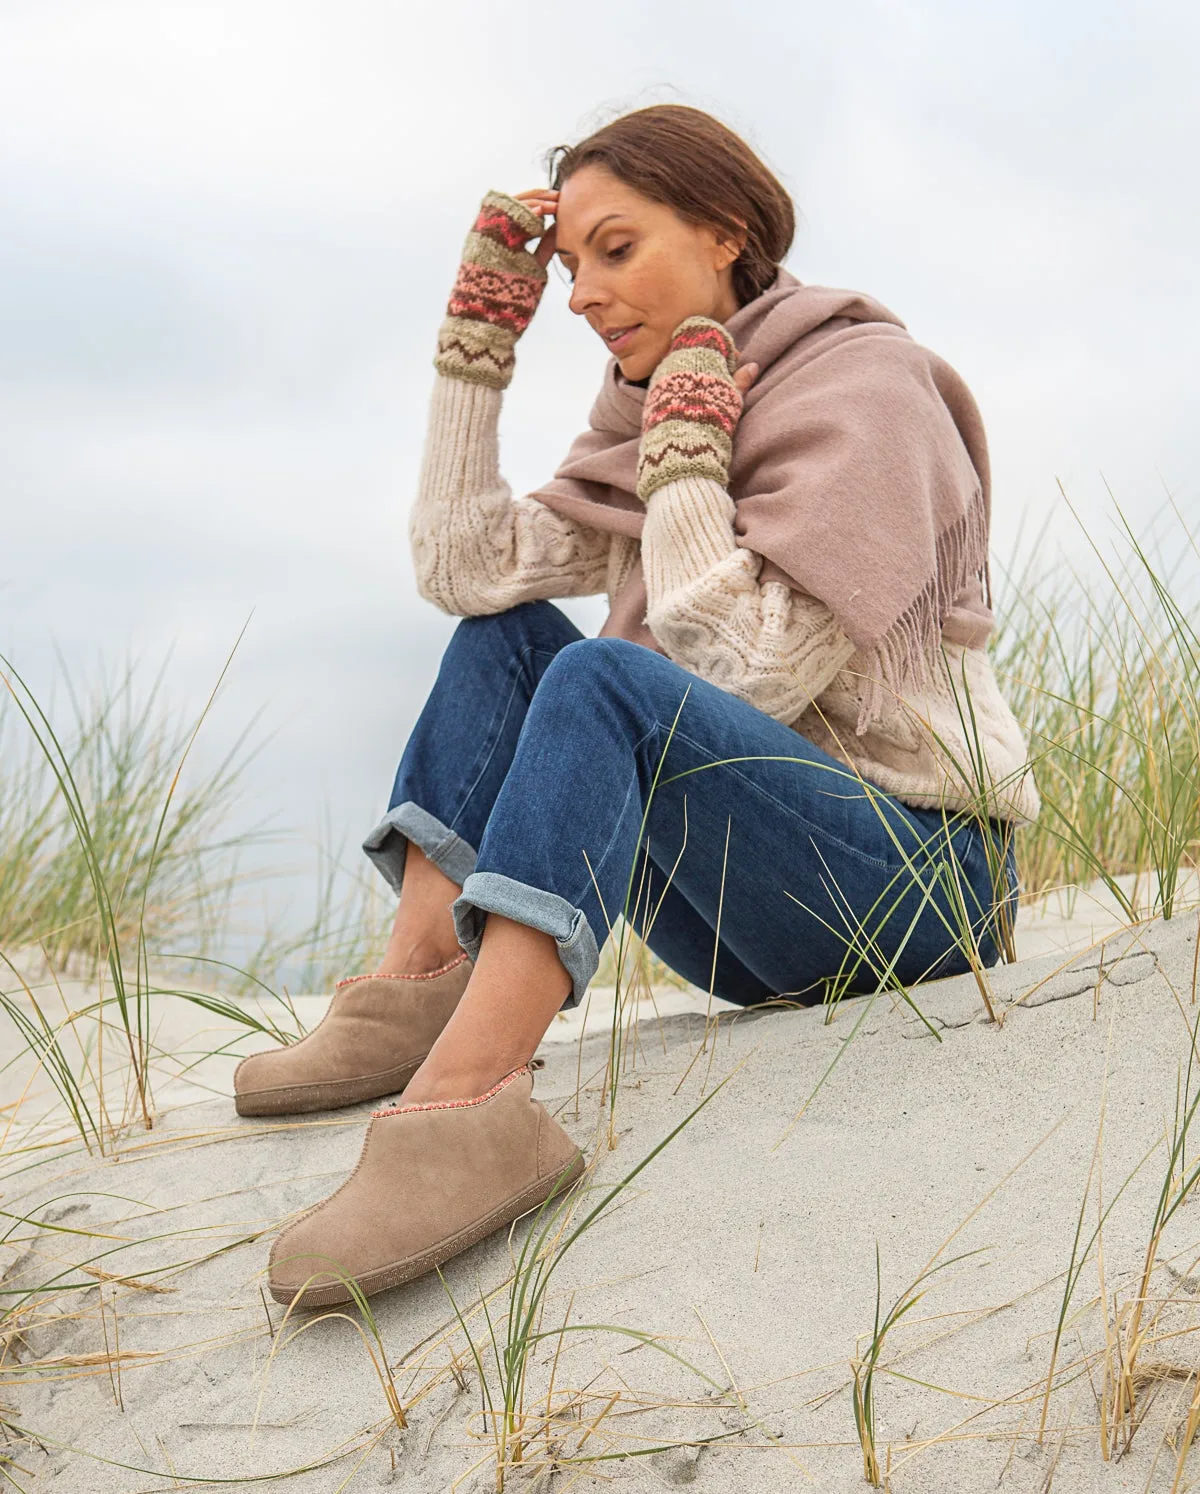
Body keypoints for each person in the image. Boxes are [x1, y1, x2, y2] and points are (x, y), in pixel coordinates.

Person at [237, 104, 1040, 1311]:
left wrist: (681, 476)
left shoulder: (872, 396)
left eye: (616, 251)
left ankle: (467, 1113)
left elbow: (751, 677)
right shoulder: (654, 412)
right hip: (761, 908)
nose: (579, 296)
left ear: (725, 236)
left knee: (603, 676)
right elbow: (468, 567)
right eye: (565, 268)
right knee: (505, 638)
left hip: (922, 887)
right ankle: (418, 990)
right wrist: (474, 357)